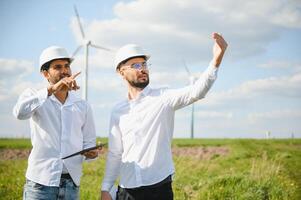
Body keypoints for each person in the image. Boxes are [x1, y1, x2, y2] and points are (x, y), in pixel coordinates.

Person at [100, 33, 228, 200]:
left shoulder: (163, 97)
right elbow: (115, 153)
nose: (143, 69)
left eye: (144, 64)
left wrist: (216, 60)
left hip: (158, 188)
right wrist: (105, 188)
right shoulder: (118, 110)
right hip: (127, 190)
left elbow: (197, 91)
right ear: (121, 72)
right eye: (136, 65)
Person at [13, 46, 100, 200]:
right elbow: (20, 113)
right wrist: (51, 90)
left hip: (71, 185)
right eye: (58, 67)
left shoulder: (82, 105)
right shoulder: (34, 96)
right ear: (45, 73)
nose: (65, 71)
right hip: (40, 184)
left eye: (67, 66)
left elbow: (89, 142)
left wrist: (91, 153)